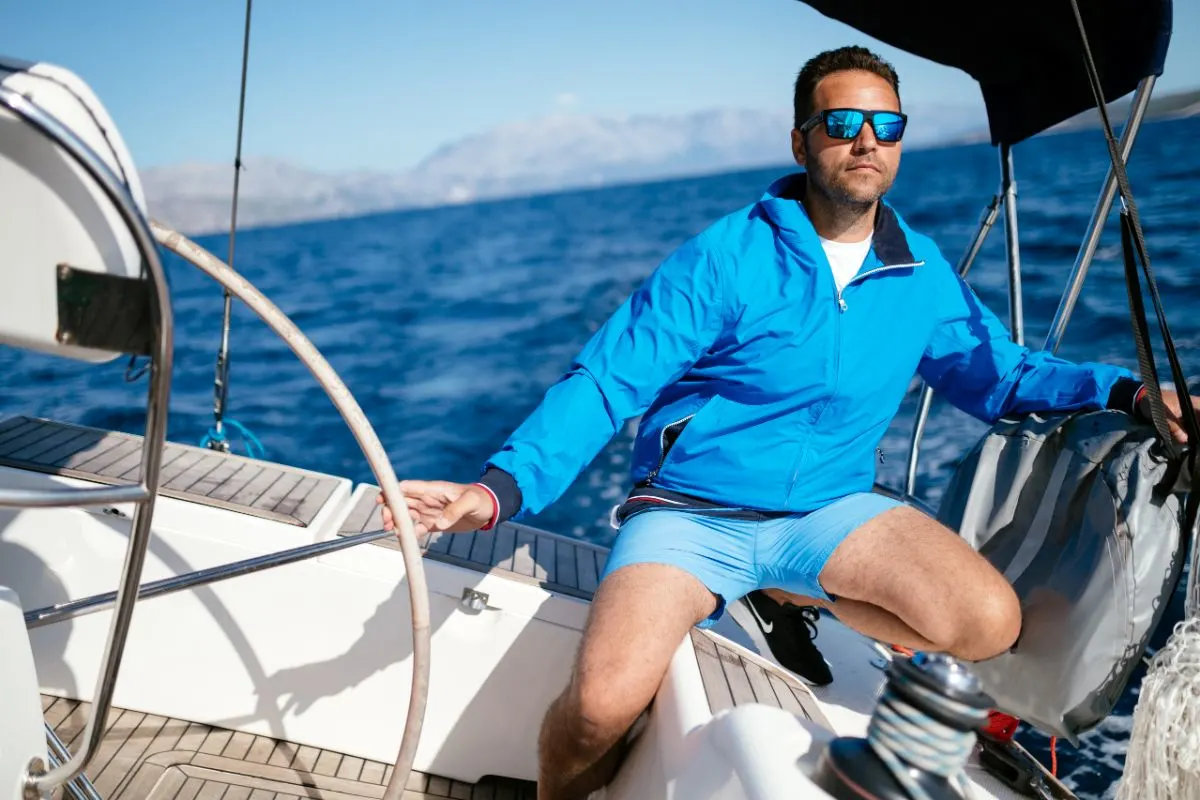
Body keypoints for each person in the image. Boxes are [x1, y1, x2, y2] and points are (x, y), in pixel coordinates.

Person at [382, 45, 1200, 800]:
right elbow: (605, 380)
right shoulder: (726, 256)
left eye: (887, 126)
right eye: (843, 124)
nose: (866, 142)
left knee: (987, 623)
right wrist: (496, 491)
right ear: (802, 140)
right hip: (692, 516)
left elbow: (1001, 373)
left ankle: (781, 588)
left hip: (828, 511)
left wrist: (1131, 394)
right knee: (599, 707)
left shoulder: (917, 271)